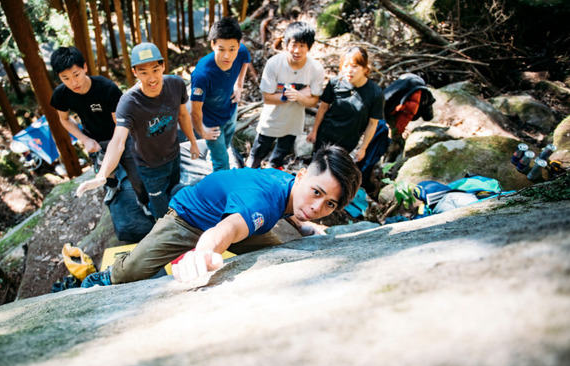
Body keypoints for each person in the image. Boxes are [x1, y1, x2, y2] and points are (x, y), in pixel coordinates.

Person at [81, 144, 361, 286]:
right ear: (301, 176)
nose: (316, 207)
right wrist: (203, 253)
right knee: (133, 270)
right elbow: (224, 231)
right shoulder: (261, 202)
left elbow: (281, 208)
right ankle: (106, 276)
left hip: (234, 218)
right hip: (188, 218)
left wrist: (304, 228)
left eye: (329, 205)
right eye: (316, 192)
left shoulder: (289, 186)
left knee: (278, 257)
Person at [75, 43, 200, 219]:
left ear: (163, 66)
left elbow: (183, 115)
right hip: (150, 166)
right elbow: (118, 141)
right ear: (135, 72)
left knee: (175, 192)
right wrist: (102, 175)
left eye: (155, 69)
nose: (152, 78)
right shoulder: (129, 103)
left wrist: (193, 142)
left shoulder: (176, 84)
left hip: (173, 155)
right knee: (161, 213)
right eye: (144, 72)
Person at [50, 46, 149, 212]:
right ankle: (113, 187)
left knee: (137, 177)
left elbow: (120, 126)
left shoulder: (107, 89)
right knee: (105, 175)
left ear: (85, 68)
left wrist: (115, 148)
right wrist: (85, 139)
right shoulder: (61, 94)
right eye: (65, 78)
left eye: (76, 75)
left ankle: (144, 202)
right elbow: (64, 119)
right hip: (94, 139)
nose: (73, 82)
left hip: (121, 136)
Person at [247, 21, 325, 170]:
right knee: (256, 155)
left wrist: (300, 97)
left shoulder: (316, 69)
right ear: (285, 44)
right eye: (294, 44)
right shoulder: (274, 64)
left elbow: (313, 102)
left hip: (293, 123)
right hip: (271, 120)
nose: (297, 50)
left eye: (302, 45)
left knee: (278, 159)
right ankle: (245, 179)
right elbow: (268, 98)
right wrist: (297, 94)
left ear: (309, 46)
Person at [190, 17, 250, 171]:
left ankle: (213, 155)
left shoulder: (241, 51)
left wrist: (239, 85)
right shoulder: (202, 74)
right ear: (212, 45)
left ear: (238, 45)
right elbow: (195, 110)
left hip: (230, 108)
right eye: (221, 49)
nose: (227, 56)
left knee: (227, 142)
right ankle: (220, 189)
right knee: (222, 164)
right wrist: (202, 131)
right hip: (212, 122)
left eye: (232, 49)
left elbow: (245, 60)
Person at [306, 46, 385, 163]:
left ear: (364, 68)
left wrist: (363, 148)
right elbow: (323, 107)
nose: (349, 70)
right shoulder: (335, 83)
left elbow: (373, 124)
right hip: (326, 134)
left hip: (348, 141)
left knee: (334, 170)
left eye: (354, 66)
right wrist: (314, 131)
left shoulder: (375, 93)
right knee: (317, 164)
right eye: (346, 66)